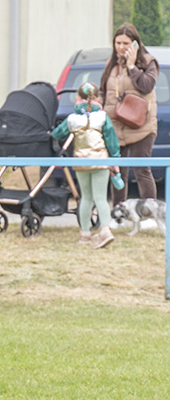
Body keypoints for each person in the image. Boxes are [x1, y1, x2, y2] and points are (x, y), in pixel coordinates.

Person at [52, 83, 120, 248]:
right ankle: (105, 230)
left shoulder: (73, 118)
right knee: (101, 198)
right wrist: (115, 161)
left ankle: (85, 234)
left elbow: (57, 134)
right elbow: (112, 141)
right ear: (97, 98)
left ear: (78, 98)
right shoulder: (103, 117)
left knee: (86, 197)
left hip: (80, 162)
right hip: (101, 161)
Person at [100, 23, 158, 209]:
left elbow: (147, 85)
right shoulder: (112, 64)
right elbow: (103, 89)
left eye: (126, 43)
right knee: (117, 172)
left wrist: (132, 67)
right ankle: (119, 211)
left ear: (136, 44)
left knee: (142, 170)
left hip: (142, 126)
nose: (121, 47)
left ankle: (148, 211)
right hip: (115, 126)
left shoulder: (149, 62)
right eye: (118, 43)